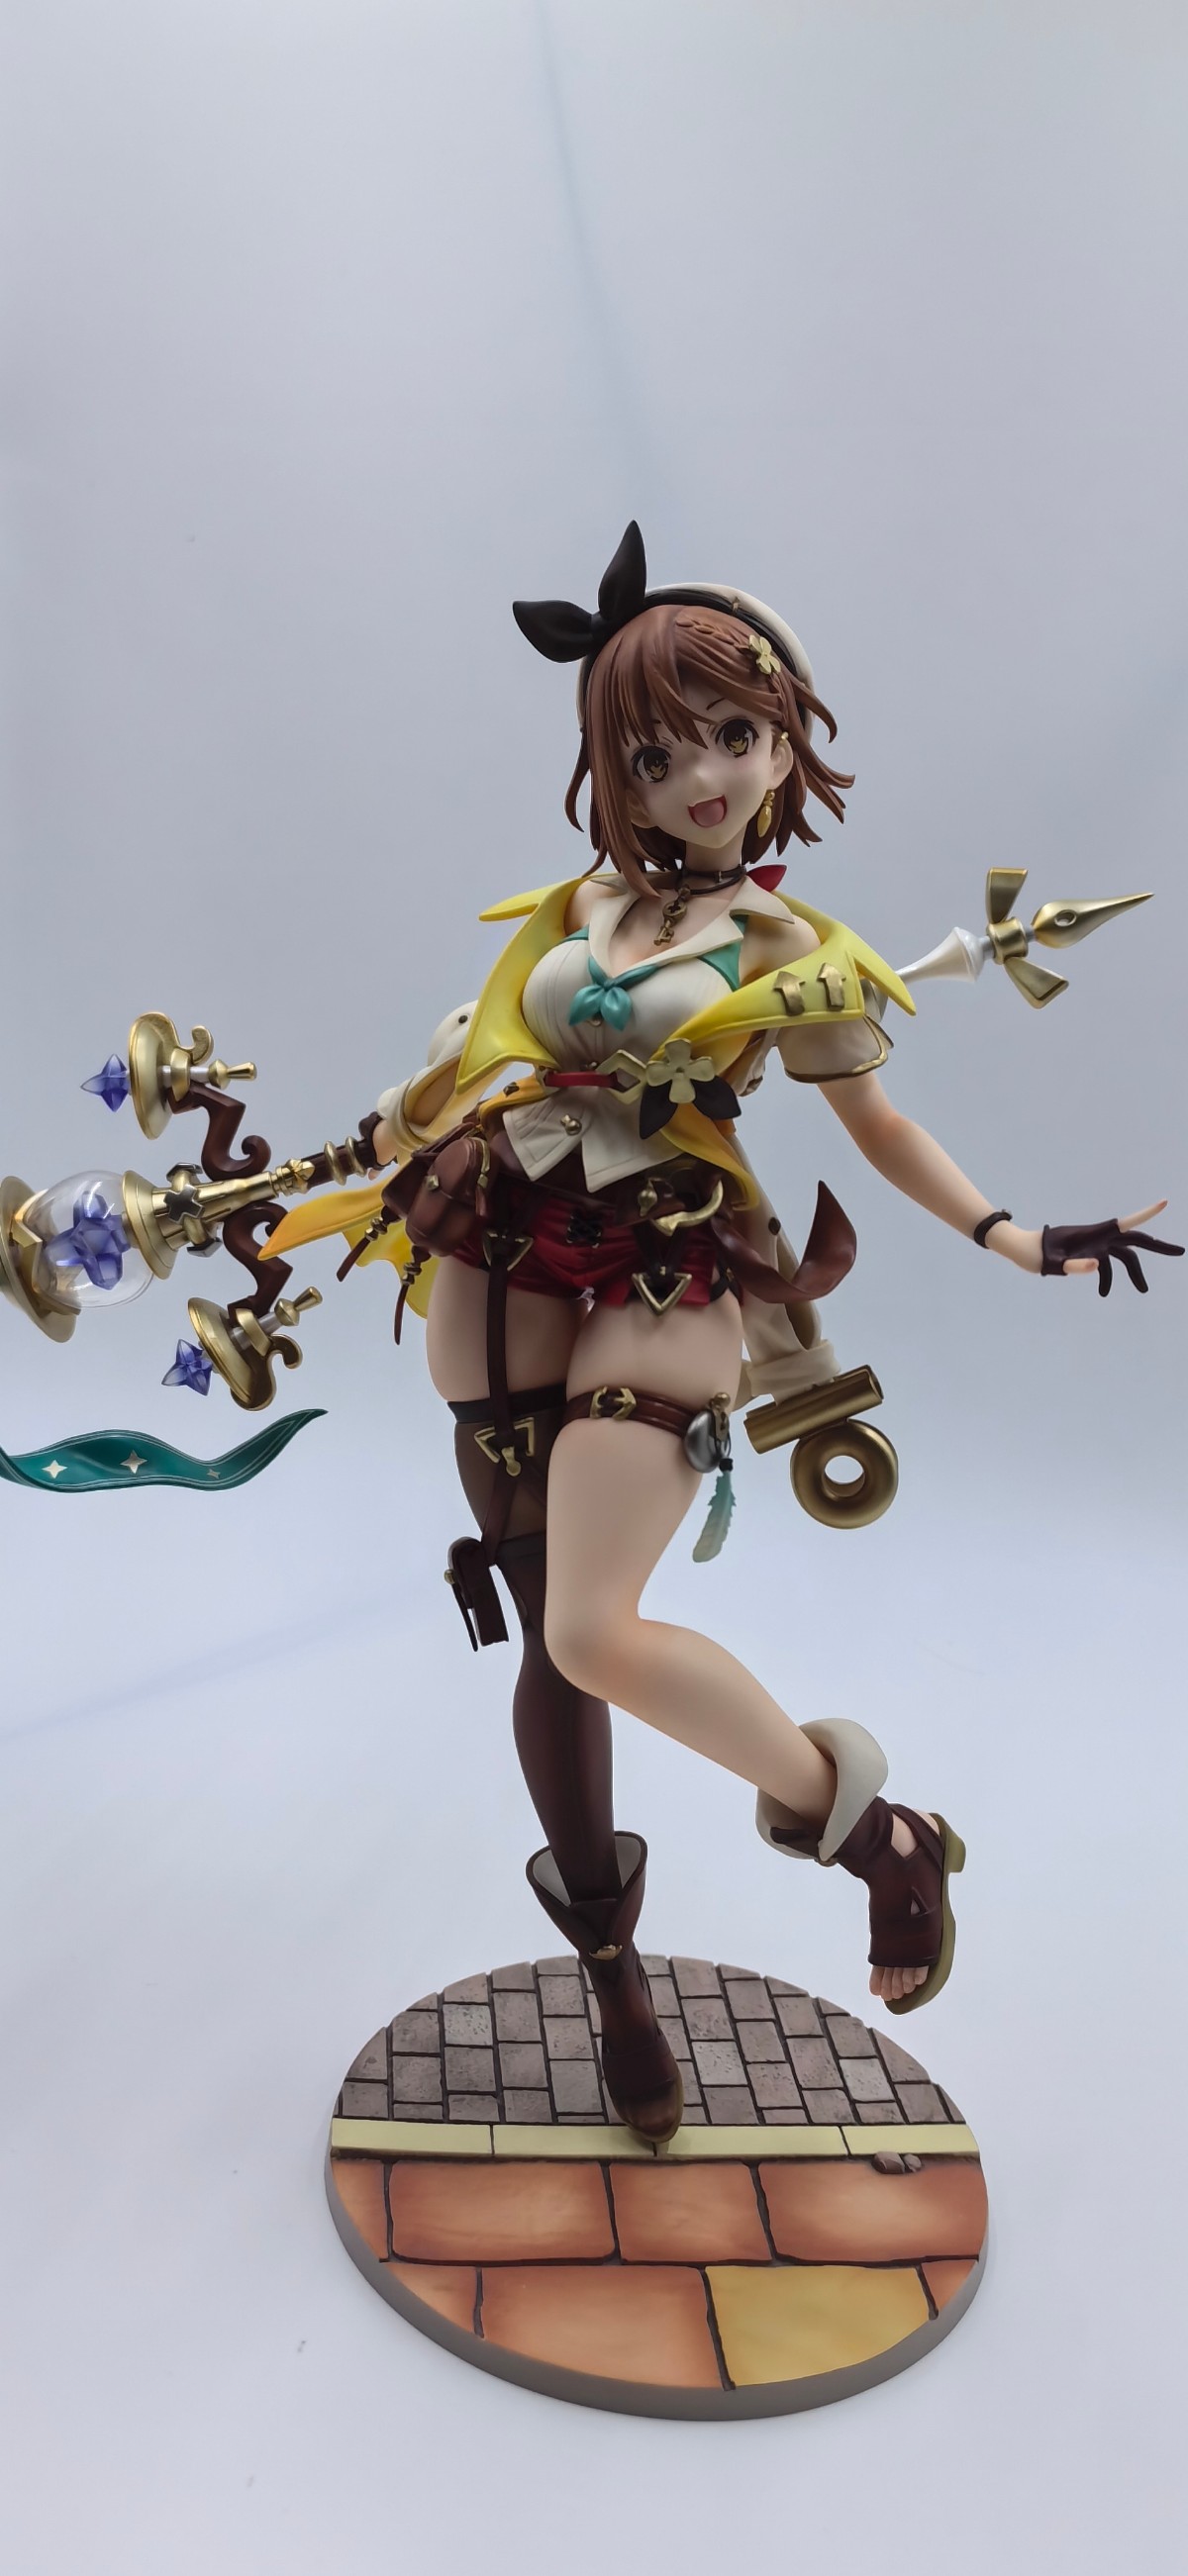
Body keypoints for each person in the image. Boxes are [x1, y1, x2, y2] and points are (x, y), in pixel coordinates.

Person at [267, 523, 1179, 2142]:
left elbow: (878, 1125)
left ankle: (873, 1831)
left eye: (733, 735)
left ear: (786, 738)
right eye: (656, 751)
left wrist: (1011, 1232)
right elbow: (469, 1058)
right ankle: (614, 1973)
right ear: (610, 768)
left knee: (593, 1631)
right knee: (547, 1635)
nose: (700, 777)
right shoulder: (573, 909)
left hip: (667, 1264)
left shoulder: (790, 955)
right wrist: (337, 1161)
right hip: (496, 1249)